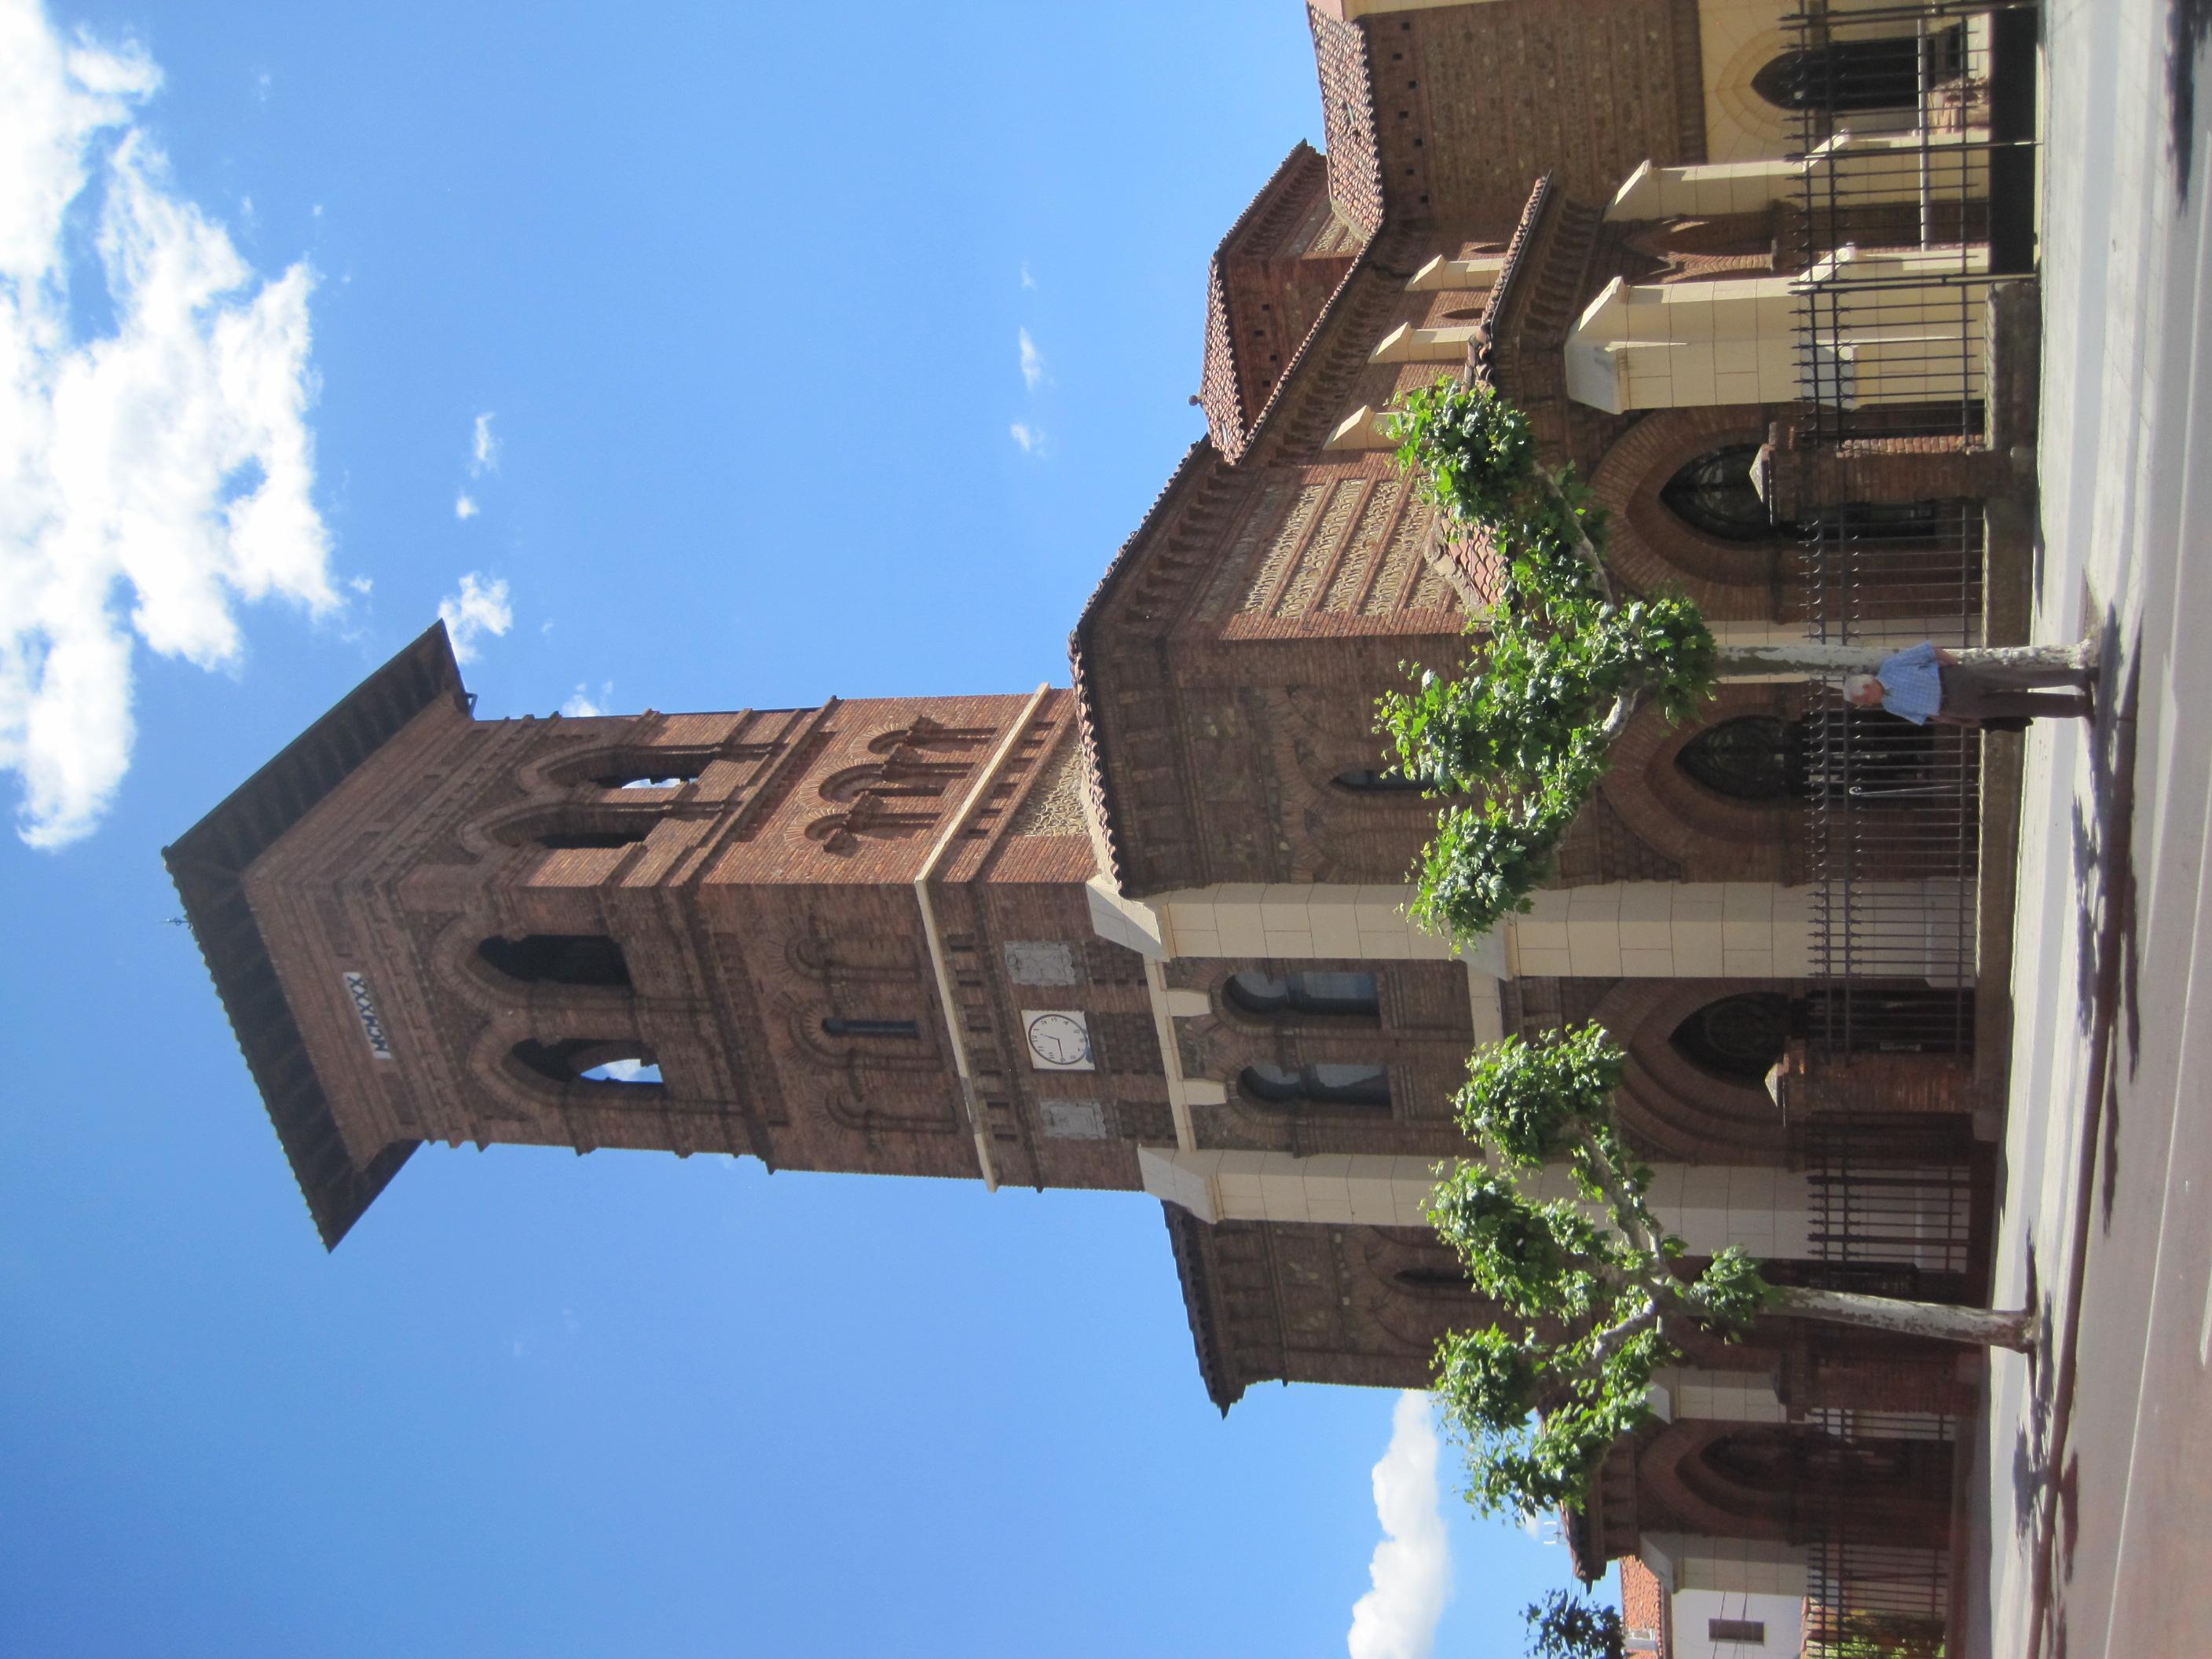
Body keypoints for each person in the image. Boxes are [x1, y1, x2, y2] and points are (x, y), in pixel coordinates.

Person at [1841, 641, 2094, 726]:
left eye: (1864, 700)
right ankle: (2077, 706)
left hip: (1954, 679)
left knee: (2019, 677)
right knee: (2018, 705)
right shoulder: (1891, 706)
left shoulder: (1892, 667)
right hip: (1955, 706)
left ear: (1866, 687)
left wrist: (1952, 662)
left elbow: (1928, 649)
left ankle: (2077, 676)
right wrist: (1959, 721)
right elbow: (1928, 717)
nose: (1868, 704)